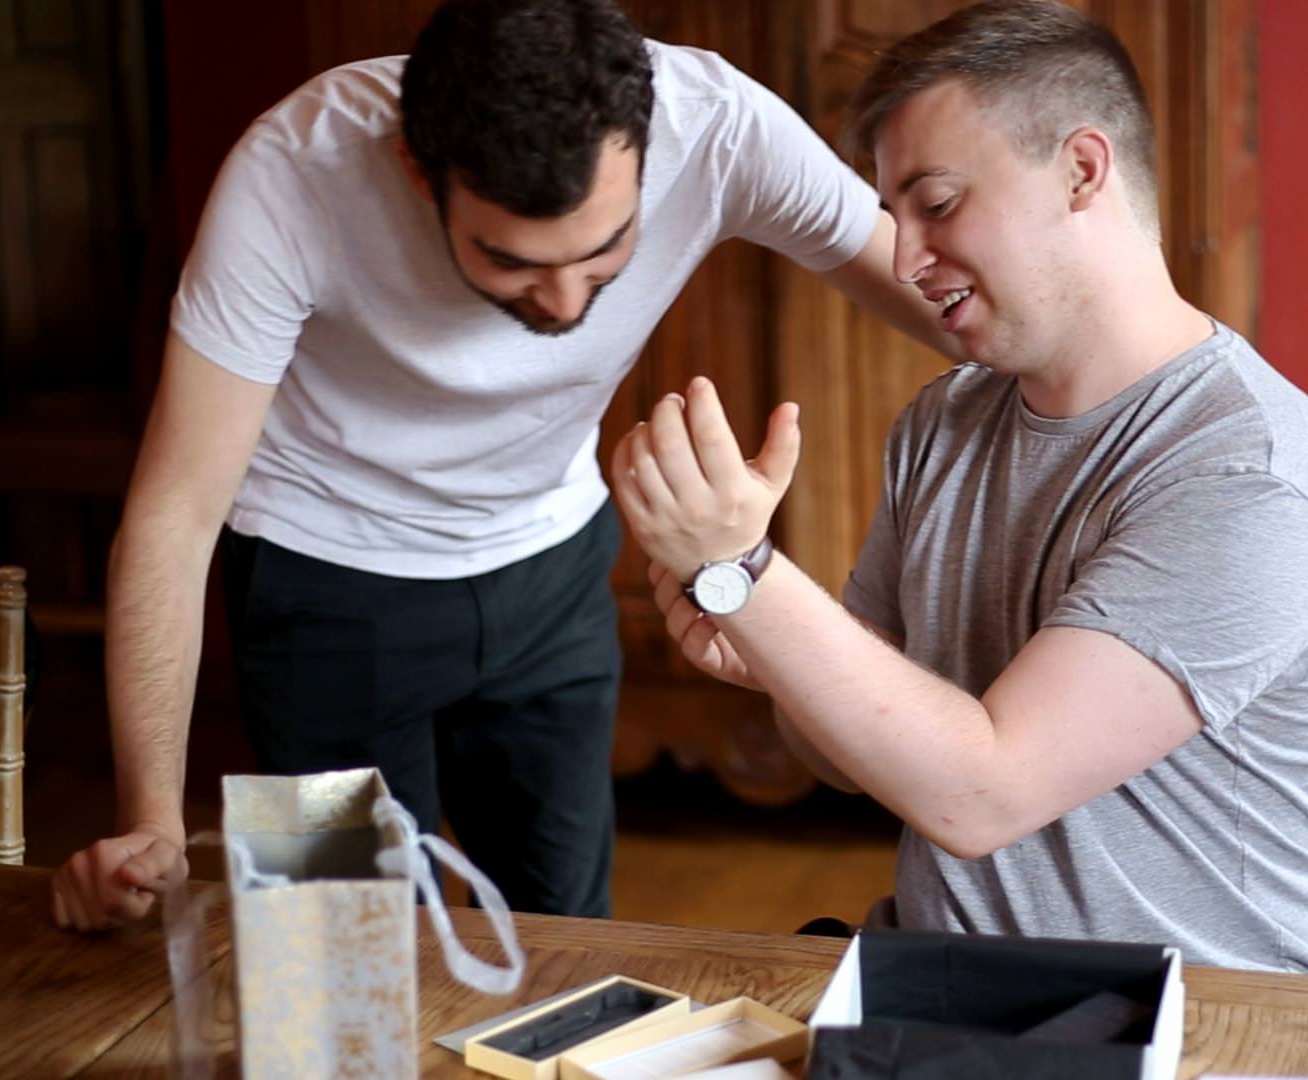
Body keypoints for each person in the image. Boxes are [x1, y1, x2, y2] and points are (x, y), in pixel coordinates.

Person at [50, 0, 948, 931]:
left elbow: (951, 301)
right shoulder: (292, 172)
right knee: (330, 963)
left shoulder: (717, 125)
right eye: (512, 261)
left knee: (566, 937)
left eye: (604, 252)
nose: (565, 303)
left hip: (552, 568)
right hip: (315, 590)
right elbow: (174, 511)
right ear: (416, 170)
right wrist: (147, 816)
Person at [610, 0, 1308, 975]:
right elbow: (843, 764)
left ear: (1081, 171)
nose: (906, 258)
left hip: (1198, 1027)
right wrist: (773, 657)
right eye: (893, 217)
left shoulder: (1245, 478)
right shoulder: (944, 423)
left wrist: (751, 577)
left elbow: (983, 794)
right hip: (949, 997)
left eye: (937, 204)